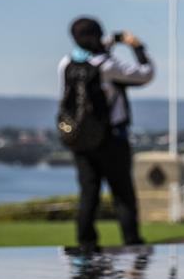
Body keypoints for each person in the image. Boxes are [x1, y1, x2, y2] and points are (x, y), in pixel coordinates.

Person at [58, 16, 154, 252]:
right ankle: (132, 241)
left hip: (79, 139)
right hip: (111, 138)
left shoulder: (66, 64)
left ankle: (86, 241)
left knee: (88, 192)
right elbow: (145, 73)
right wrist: (137, 47)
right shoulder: (107, 66)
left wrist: (106, 45)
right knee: (122, 193)